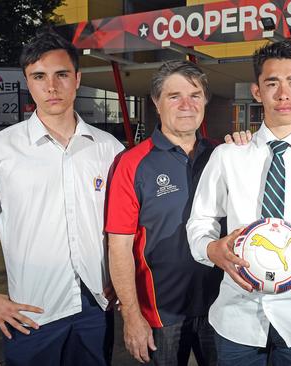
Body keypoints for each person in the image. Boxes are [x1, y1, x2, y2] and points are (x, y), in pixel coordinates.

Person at [0, 31, 124, 365]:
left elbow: (127, 222)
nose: (51, 87)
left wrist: (124, 278)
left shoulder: (108, 147)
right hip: (33, 315)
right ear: (28, 81)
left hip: (97, 308)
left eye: (61, 75)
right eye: (39, 76)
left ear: (78, 79)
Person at [186, 40, 291, 365]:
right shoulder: (228, 156)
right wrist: (212, 250)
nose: (283, 94)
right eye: (272, 83)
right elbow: (200, 223)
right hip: (236, 318)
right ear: (257, 91)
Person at [105, 60, 223, 365]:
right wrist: (131, 317)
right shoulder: (132, 164)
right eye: (174, 96)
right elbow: (118, 247)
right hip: (161, 313)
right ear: (157, 102)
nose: (187, 105)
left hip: (222, 306)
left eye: (195, 95)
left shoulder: (223, 157)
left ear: (205, 101)